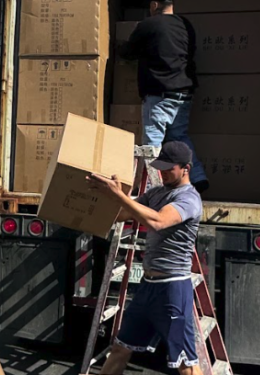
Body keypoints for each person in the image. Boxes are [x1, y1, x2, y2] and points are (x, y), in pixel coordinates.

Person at [85, 141, 203, 375]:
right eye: (161, 168)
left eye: (169, 168)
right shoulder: (156, 193)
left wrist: (119, 195)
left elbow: (158, 221)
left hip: (172, 290)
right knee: (120, 348)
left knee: (186, 364)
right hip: (147, 288)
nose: (163, 173)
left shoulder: (189, 199)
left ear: (186, 169)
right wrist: (110, 195)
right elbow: (122, 214)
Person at [119, 0, 208, 192]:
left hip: (159, 94)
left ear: (154, 5)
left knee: (152, 146)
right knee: (180, 138)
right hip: (184, 93)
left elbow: (128, 52)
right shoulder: (186, 25)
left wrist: (119, 46)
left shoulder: (148, 25)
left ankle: (153, 191)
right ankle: (197, 176)